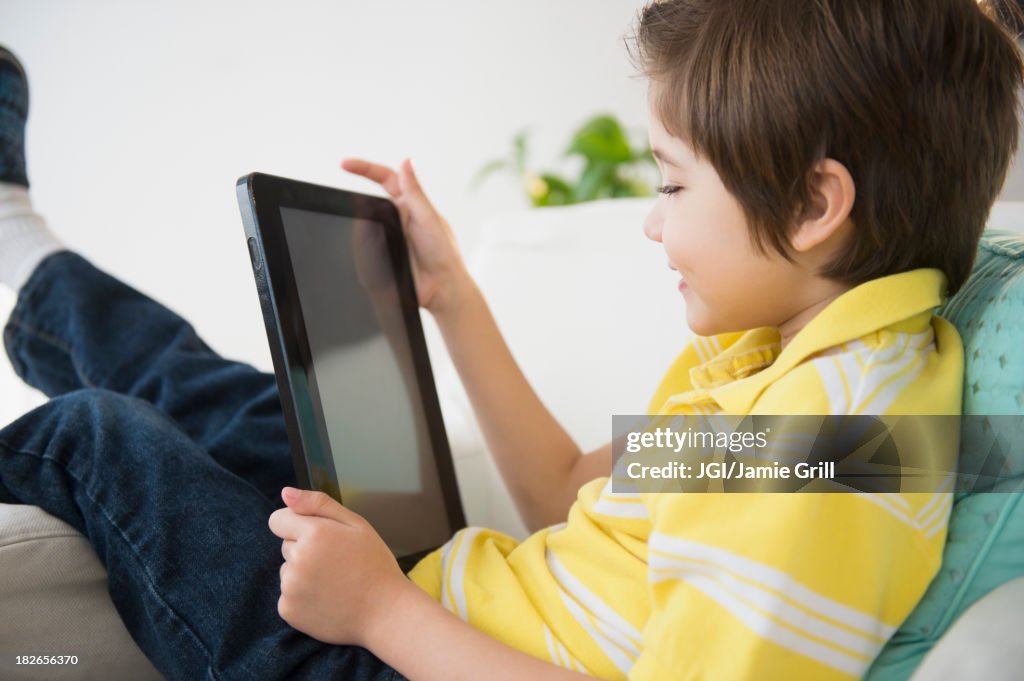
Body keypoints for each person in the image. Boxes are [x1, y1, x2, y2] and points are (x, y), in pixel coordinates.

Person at [1, 1, 1022, 679]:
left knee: (102, 438)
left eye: (669, 181)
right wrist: (454, 299)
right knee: (236, 399)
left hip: (387, 661)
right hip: (435, 601)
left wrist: (379, 617)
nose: (651, 220)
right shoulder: (809, 379)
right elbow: (564, 494)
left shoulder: (820, 453)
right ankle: (20, 243)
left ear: (811, 205)